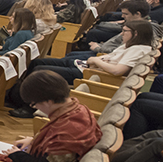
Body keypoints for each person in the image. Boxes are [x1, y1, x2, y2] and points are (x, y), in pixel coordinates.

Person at [9, 20, 155, 116]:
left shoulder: (139, 49)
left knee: (39, 73)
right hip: (86, 66)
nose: (122, 34)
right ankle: (15, 95)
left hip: (89, 74)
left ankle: (28, 107)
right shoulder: (131, 44)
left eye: (125, 31)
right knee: (36, 63)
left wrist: (96, 61)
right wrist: (95, 60)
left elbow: (118, 71)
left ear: (136, 34)